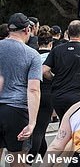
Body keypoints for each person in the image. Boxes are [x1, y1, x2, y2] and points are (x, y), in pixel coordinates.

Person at [0, 13, 41, 167]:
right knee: (17, 161)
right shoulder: (32, 55)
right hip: (17, 110)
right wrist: (32, 123)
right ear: (27, 30)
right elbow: (33, 90)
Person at [43, 20, 80, 120]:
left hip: (58, 96)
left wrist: (53, 78)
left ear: (68, 33)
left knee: (63, 122)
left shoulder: (57, 49)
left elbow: (44, 70)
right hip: (79, 95)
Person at [29, 26, 55, 158]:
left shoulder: (32, 55)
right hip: (48, 94)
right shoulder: (53, 57)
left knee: (39, 128)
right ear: (51, 43)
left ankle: (45, 157)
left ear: (38, 43)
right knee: (40, 129)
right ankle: (30, 157)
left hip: (33, 92)